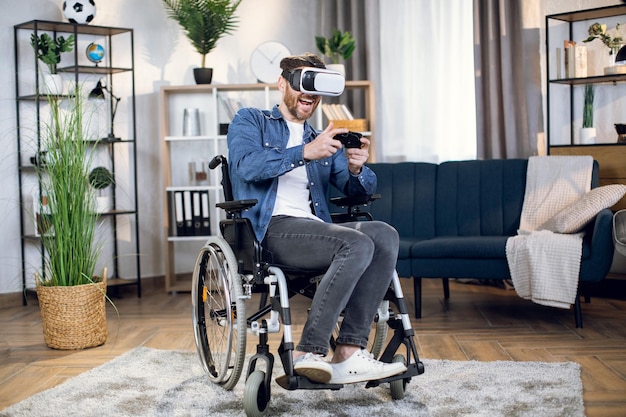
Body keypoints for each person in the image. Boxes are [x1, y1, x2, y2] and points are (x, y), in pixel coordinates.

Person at [227, 53, 406, 386]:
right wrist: (302, 153)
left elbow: (356, 192)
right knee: (355, 243)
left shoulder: (321, 139)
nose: (309, 95)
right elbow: (247, 166)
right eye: (301, 83)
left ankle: (348, 352)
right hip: (270, 230)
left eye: (316, 87)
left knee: (384, 235)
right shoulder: (250, 120)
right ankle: (303, 352)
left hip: (314, 229)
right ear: (282, 83)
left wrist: (356, 167)